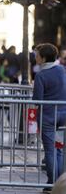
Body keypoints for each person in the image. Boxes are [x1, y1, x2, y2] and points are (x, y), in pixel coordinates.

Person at [32, 43, 66, 193]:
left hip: (47, 116)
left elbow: (37, 99)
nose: (35, 57)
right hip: (63, 114)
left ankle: (52, 182)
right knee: (59, 149)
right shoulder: (62, 70)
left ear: (43, 58)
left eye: (37, 55)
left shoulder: (41, 75)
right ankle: (59, 182)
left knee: (50, 150)